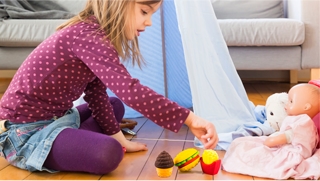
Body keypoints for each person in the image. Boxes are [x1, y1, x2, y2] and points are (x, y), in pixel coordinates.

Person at [0, 0, 218, 175]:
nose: (149, 22)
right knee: (109, 153)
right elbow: (131, 90)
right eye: (144, 11)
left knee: (113, 105)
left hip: (57, 118)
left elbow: (96, 93)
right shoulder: (88, 36)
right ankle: (70, 141)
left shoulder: (94, 35)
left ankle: (72, 139)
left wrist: (120, 137)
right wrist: (189, 118)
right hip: (25, 134)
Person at [222, 83, 320, 179]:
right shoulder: (307, 122)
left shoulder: (301, 124)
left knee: (252, 152)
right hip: (288, 146)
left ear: (306, 107)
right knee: (243, 143)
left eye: (290, 101)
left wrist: (269, 141)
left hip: (289, 153)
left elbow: (283, 138)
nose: (286, 104)